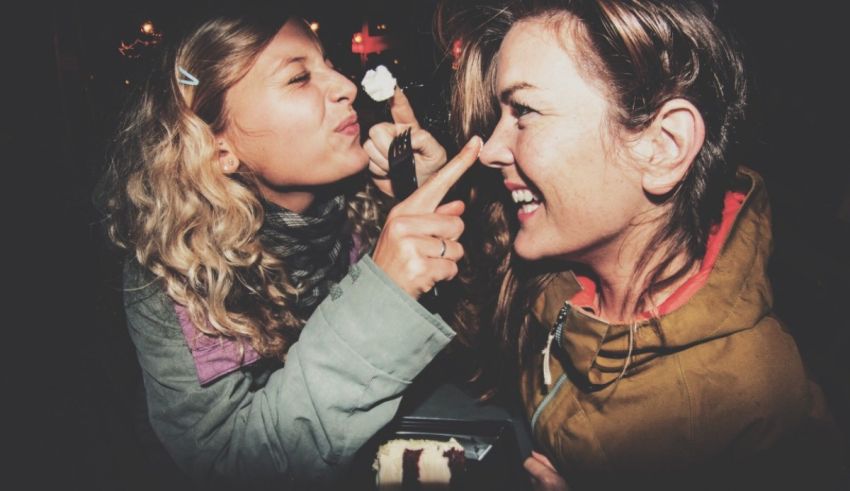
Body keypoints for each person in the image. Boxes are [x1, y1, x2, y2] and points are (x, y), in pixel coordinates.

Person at [435, 0, 846, 488]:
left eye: (523, 111)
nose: (492, 149)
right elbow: (483, 328)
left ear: (662, 145)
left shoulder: (755, 405)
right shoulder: (558, 266)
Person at [96, 3, 482, 488]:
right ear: (219, 148)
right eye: (299, 78)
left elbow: (477, 361)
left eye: (328, 64)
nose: (345, 85)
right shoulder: (173, 270)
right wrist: (382, 293)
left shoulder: (369, 209)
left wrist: (427, 202)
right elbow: (233, 465)